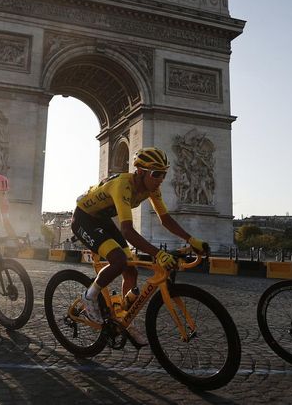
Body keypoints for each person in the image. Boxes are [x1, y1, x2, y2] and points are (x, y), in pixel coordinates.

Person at [72, 147, 209, 345]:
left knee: (131, 271)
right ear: (141, 172)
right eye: (156, 173)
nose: (161, 178)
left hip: (102, 219)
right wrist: (158, 253)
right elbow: (127, 231)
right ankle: (89, 296)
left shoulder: (152, 188)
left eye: (164, 173)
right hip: (84, 218)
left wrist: (191, 240)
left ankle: (124, 321)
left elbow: (165, 219)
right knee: (118, 260)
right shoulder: (122, 185)